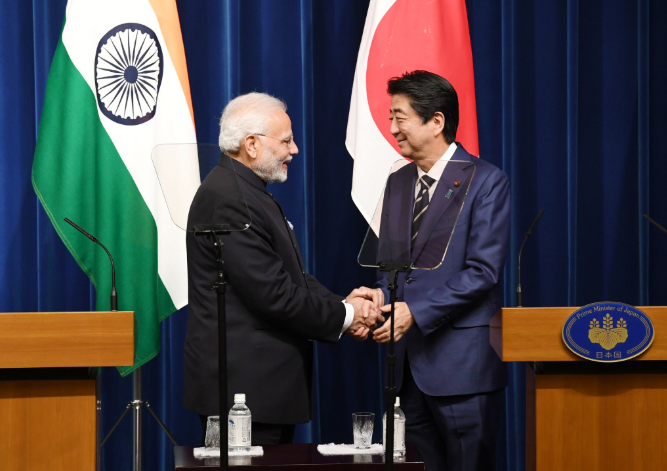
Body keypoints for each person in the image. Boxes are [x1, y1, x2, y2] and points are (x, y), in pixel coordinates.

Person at [184, 92, 383, 445]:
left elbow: (291, 277)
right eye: (287, 141)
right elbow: (273, 295)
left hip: (262, 391)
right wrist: (349, 315)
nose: (294, 151)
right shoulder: (228, 198)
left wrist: (342, 303)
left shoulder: (247, 191)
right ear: (252, 145)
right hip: (243, 396)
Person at [372, 71, 510, 471]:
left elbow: (483, 272)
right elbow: (391, 270)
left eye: (400, 117)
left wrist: (414, 312)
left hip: (463, 368)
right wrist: (379, 296)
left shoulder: (485, 181)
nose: (392, 128)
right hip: (406, 370)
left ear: (436, 122)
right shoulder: (398, 183)